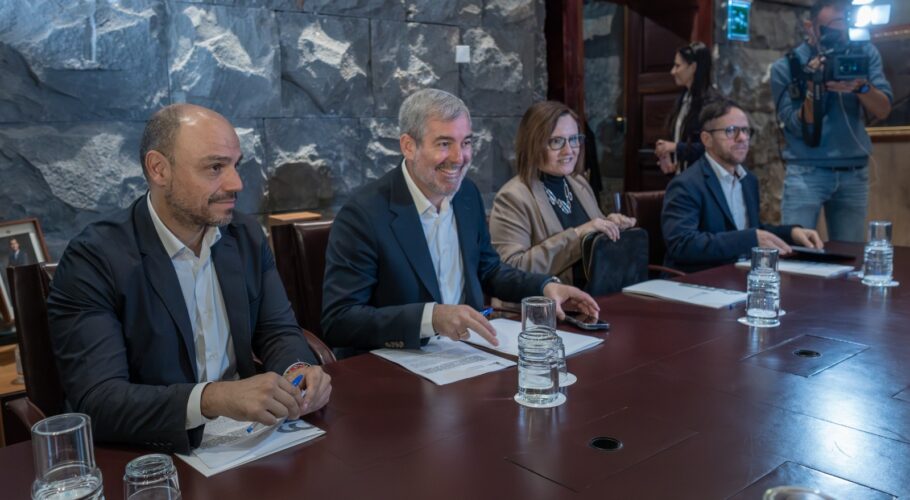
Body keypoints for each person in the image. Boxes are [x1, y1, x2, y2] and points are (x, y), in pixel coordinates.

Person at [47, 104, 332, 453]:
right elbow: (99, 400)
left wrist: (298, 372)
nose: (236, 183)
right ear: (159, 169)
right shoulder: (93, 259)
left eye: (235, 165)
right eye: (215, 167)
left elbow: (277, 331)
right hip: (149, 453)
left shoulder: (245, 235)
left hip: (247, 438)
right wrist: (212, 398)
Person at [321, 89, 600, 353]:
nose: (459, 158)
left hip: (469, 353)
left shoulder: (466, 194)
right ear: (408, 146)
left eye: (466, 142)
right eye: (444, 144)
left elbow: (489, 270)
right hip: (395, 364)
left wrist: (544, 287)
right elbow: (340, 320)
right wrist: (431, 318)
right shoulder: (363, 214)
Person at [771, 0, 892, 242]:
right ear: (810, 27)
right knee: (796, 249)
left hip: (853, 171)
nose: (839, 39)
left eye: (843, 32)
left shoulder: (863, 54)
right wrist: (813, 88)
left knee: (851, 253)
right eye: (830, 32)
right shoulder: (789, 66)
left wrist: (861, 87)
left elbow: (883, 110)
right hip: (806, 171)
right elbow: (795, 125)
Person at [662, 99, 824, 273]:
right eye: (731, 131)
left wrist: (792, 233)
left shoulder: (748, 180)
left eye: (746, 130)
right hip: (699, 278)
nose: (743, 138)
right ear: (706, 139)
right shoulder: (686, 184)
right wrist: (749, 239)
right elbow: (682, 244)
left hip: (740, 274)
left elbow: (752, 231)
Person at [489, 101, 636, 289]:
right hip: (546, 304)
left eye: (574, 139)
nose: (569, 150)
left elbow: (593, 239)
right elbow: (511, 271)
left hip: (595, 297)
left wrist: (611, 225)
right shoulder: (512, 197)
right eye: (557, 141)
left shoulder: (579, 183)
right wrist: (577, 235)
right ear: (533, 144)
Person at [655, 42, 714, 174]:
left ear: (693, 67)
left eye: (677, 66)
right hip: (684, 178)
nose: (672, 71)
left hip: (702, 181)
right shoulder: (684, 98)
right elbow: (682, 140)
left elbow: (712, 147)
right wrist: (672, 158)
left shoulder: (711, 103)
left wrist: (675, 147)